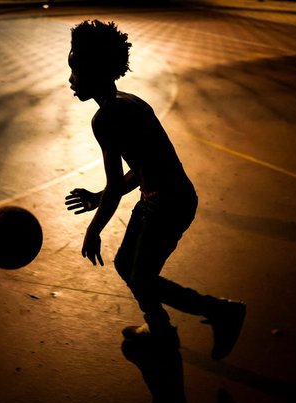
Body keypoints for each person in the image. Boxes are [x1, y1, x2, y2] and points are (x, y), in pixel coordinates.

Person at [65, 20, 246, 360]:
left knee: (143, 277)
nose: (71, 80)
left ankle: (221, 312)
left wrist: (93, 229)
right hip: (161, 201)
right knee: (125, 265)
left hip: (168, 206)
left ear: (94, 71)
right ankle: (160, 329)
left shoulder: (105, 119)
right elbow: (142, 167)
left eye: (76, 71)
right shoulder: (129, 103)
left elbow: (118, 185)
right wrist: (97, 197)